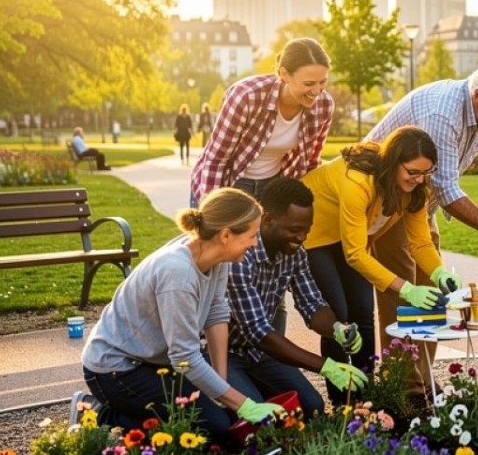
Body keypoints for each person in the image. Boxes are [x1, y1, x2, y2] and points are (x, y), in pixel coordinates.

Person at [365, 58, 478, 377]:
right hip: (386, 204)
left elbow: (440, 185)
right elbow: (444, 187)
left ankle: (424, 378)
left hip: (416, 205)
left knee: (434, 292)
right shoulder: (443, 113)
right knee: (403, 293)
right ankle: (403, 385)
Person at [81, 189, 287, 447]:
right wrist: (243, 403)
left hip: (154, 361)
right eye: (252, 235)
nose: (255, 243)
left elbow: (216, 310)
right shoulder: (177, 274)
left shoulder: (216, 254)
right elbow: (185, 358)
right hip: (116, 368)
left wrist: (221, 385)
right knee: (211, 430)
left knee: (219, 417)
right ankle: (97, 412)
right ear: (225, 235)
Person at [301, 126, 460, 403]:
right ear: (393, 162)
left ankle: (366, 396)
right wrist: (408, 290)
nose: (420, 180)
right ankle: (343, 403)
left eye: (426, 172)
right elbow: (355, 254)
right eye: (413, 172)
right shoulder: (358, 181)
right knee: (339, 314)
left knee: (363, 312)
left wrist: (439, 272)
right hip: (315, 233)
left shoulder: (414, 189)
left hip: (350, 237)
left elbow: (420, 243)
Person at [226, 177, 367, 417]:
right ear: (268, 219)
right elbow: (259, 332)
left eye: (306, 230)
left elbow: (311, 303)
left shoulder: (294, 253)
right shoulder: (241, 255)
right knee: (254, 418)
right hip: (222, 353)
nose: (302, 238)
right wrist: (326, 367)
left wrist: (336, 329)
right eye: (294, 230)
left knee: (312, 406)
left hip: (258, 354)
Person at [191, 38, 334, 204]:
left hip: (272, 189)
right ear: (284, 75)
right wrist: (212, 214)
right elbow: (216, 161)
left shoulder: (324, 105)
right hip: (225, 184)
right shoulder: (247, 97)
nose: (317, 91)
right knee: (222, 230)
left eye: (323, 82)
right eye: (309, 83)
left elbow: (311, 164)